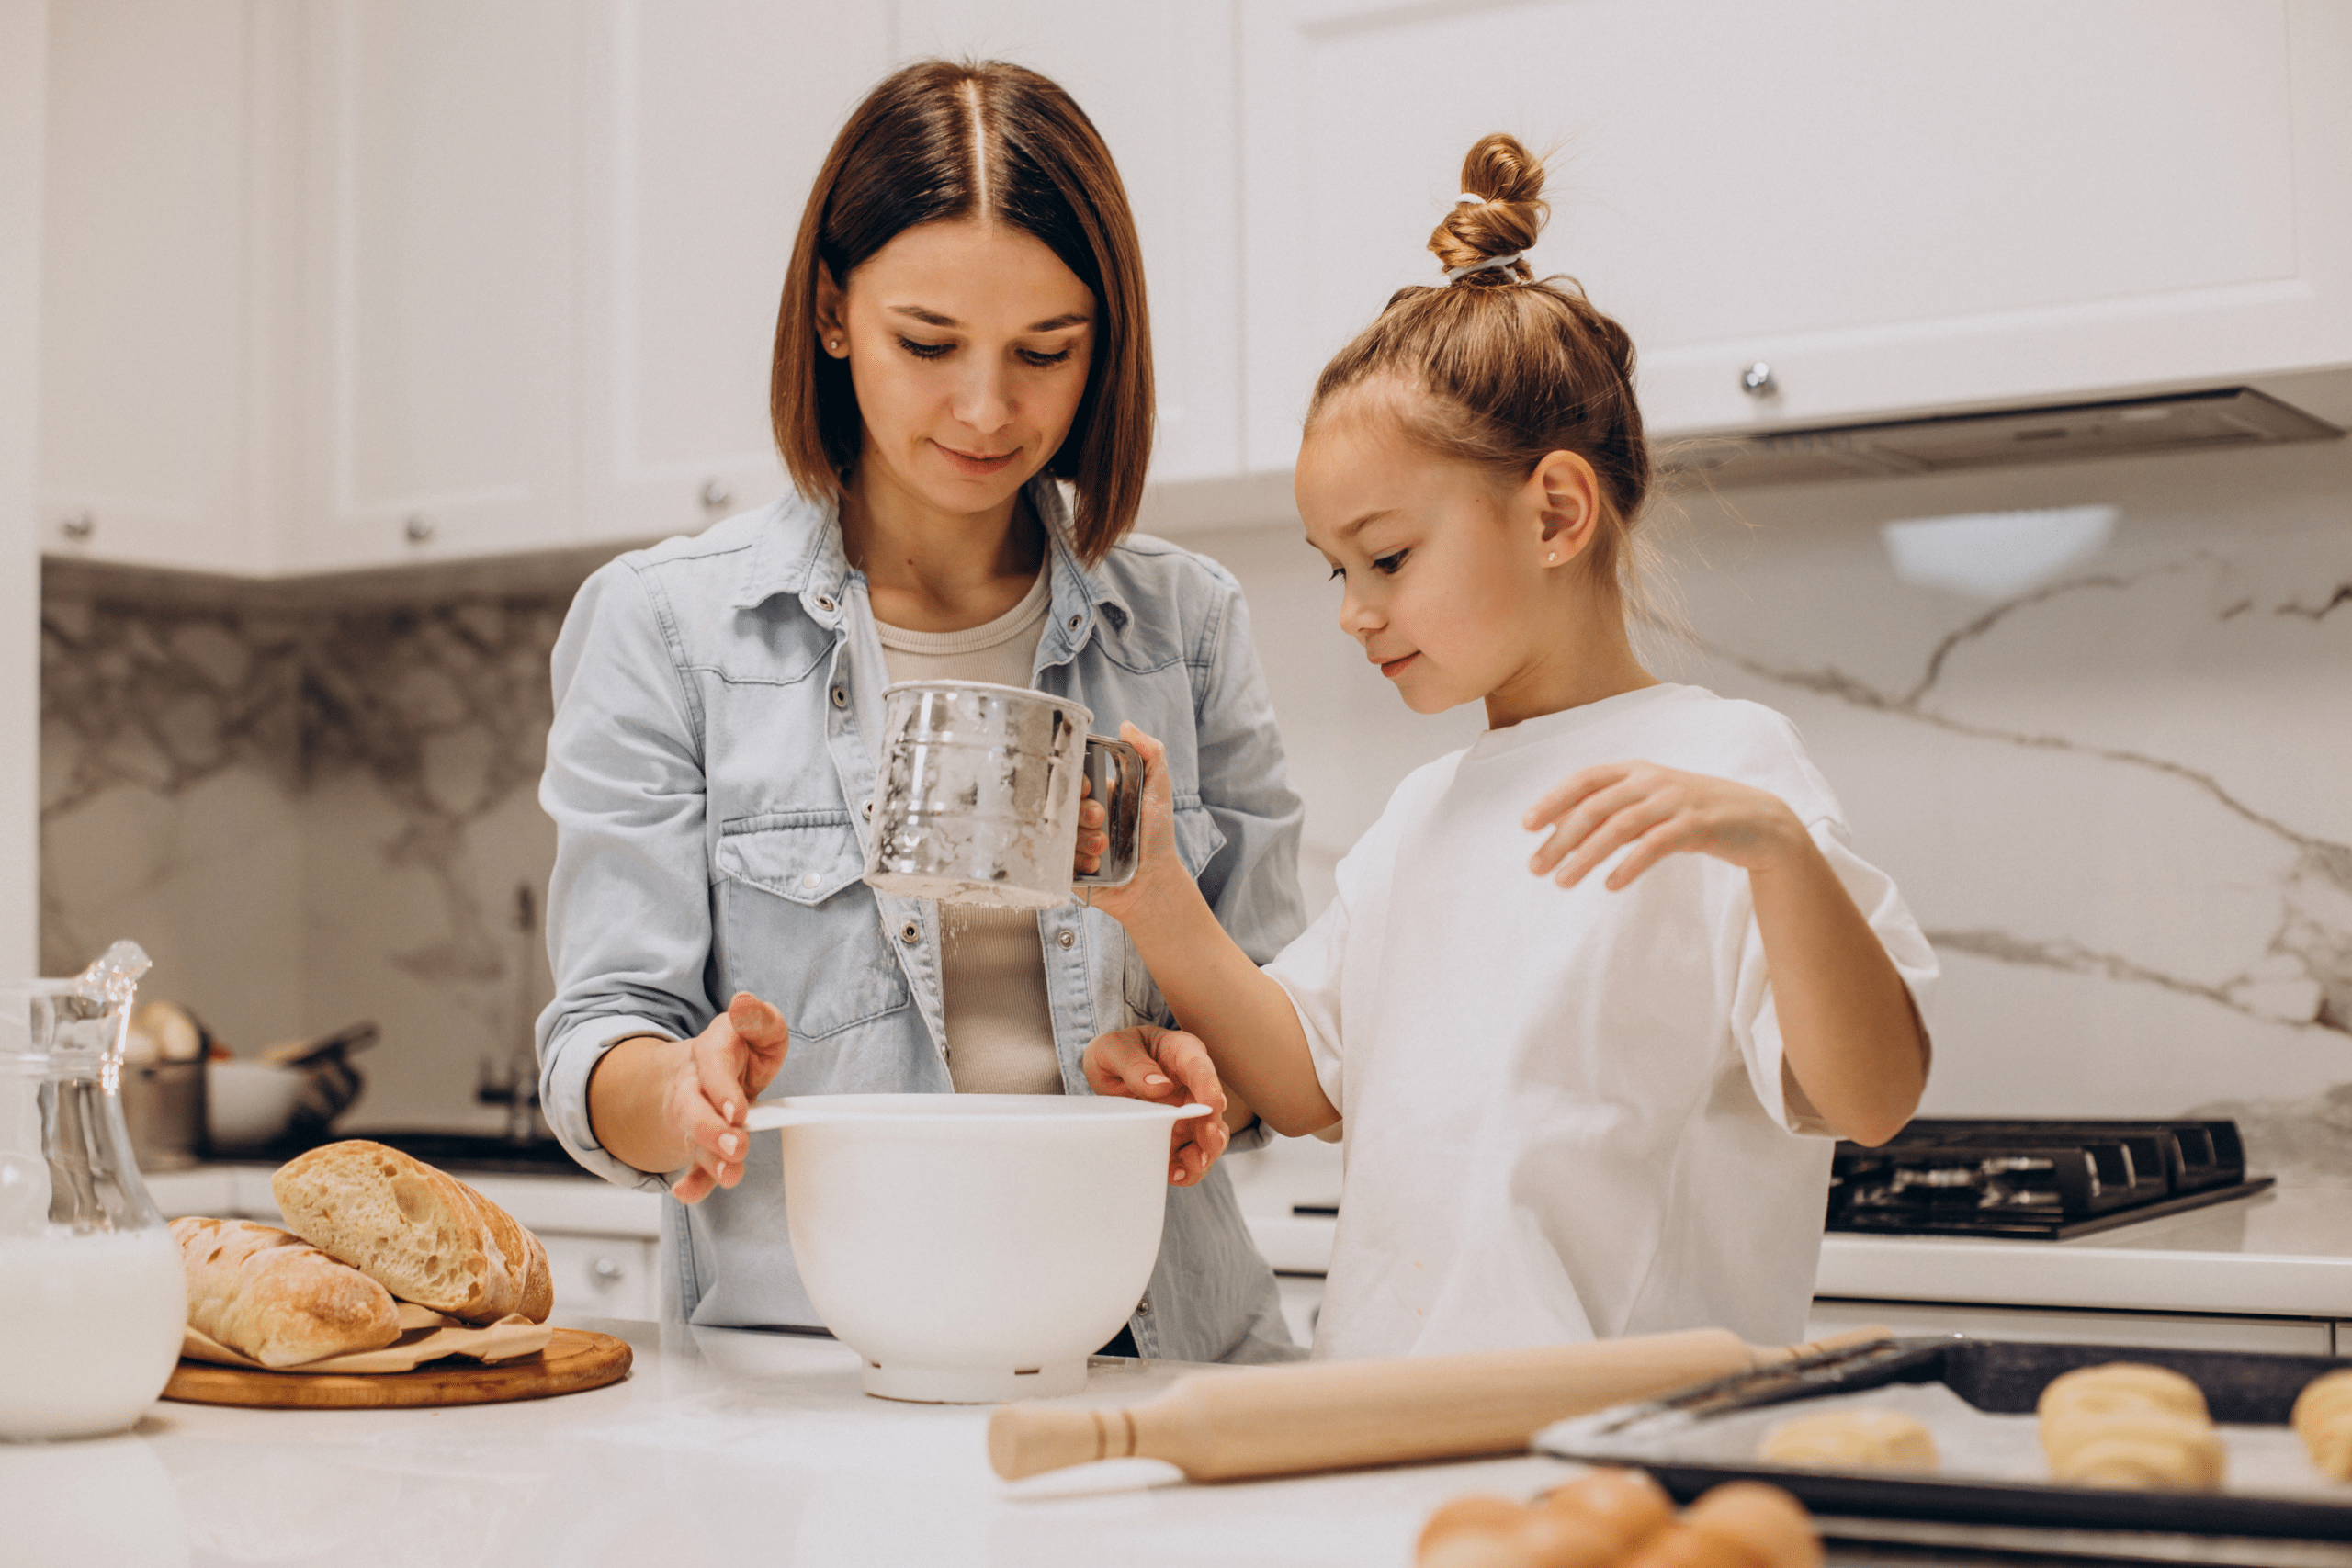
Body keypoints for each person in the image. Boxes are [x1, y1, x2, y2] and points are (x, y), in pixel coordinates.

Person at [1082, 132, 1937, 1360]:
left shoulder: (1731, 772)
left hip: (1620, 1463)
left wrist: (1781, 853)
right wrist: (1154, 894)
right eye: (1338, 568)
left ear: (1554, 512)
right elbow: (1307, 1082)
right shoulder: (1427, 813)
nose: (1352, 609)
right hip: (1386, 1444)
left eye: (1387, 556)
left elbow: (1874, 1095)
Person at [536, 59, 1305, 1363]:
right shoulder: (669, 628)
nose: (988, 409)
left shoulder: (1186, 624)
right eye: (928, 343)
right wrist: (681, 1089)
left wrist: (1196, 1081)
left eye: (1046, 352)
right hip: (821, 1374)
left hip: (1156, 1349)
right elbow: (596, 1041)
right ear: (833, 314)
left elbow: (1286, 1042)